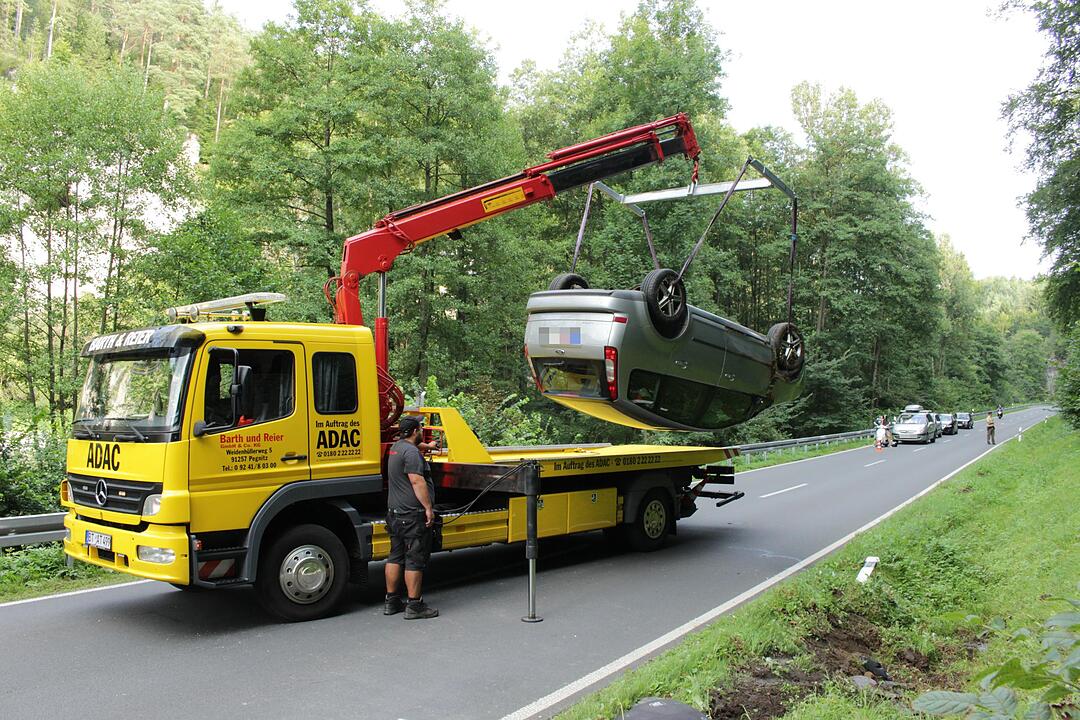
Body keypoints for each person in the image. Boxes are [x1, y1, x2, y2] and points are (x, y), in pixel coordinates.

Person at [384, 416, 440, 620]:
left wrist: (430, 446)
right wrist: (428, 508)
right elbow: (417, 482)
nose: (422, 430)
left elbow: (415, 446)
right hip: (412, 514)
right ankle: (414, 605)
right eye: (421, 428)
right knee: (414, 559)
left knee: (395, 556)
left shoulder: (396, 448)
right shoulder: (413, 454)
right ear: (415, 431)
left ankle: (391, 601)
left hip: (395, 513)